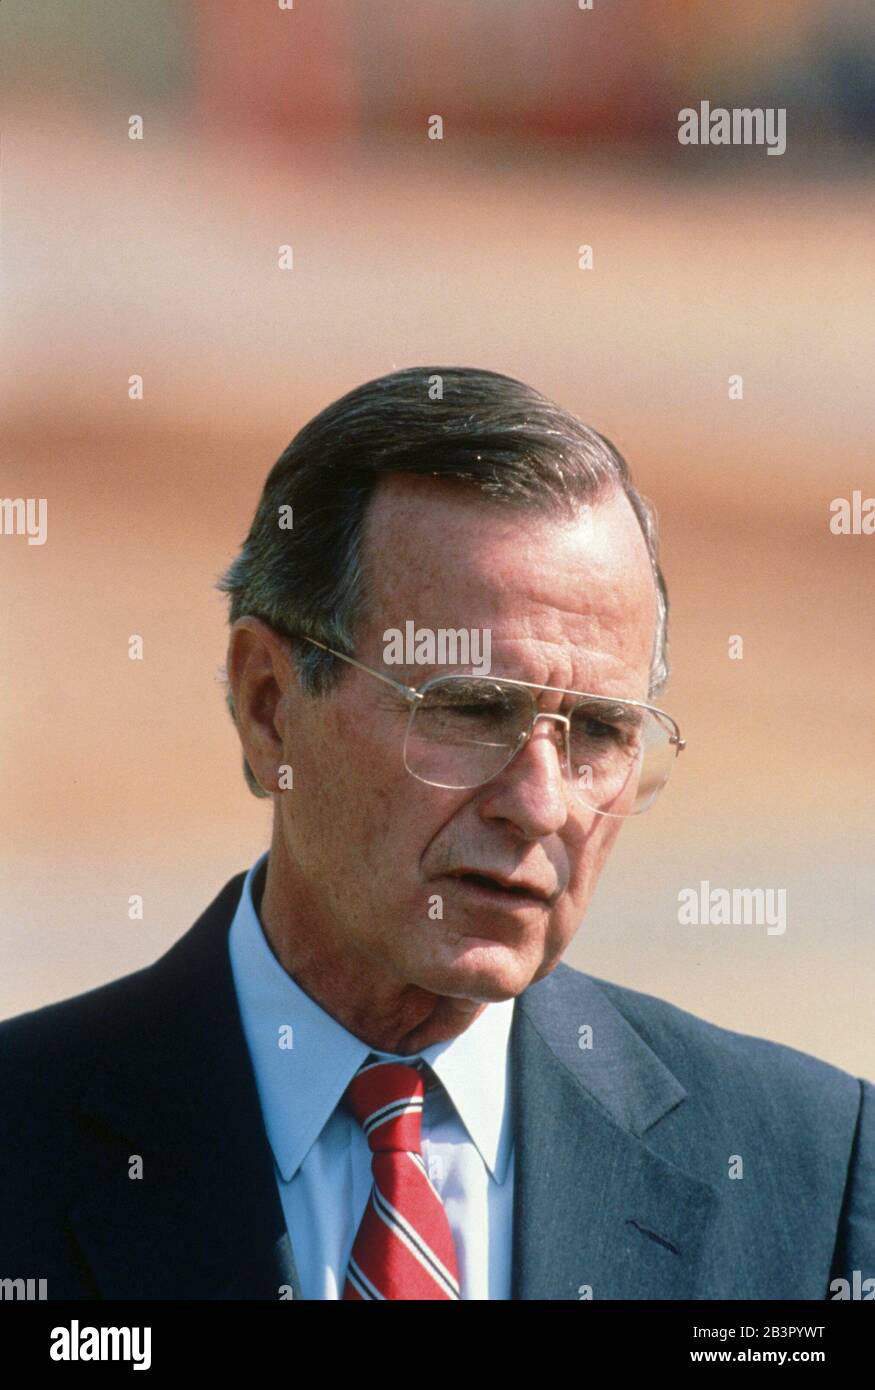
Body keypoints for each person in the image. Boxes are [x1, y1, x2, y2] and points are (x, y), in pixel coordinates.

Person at [1, 367, 871, 1300]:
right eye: (469, 710)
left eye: (599, 733)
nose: (539, 806)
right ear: (268, 707)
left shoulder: (812, 1173)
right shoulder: (27, 1141)